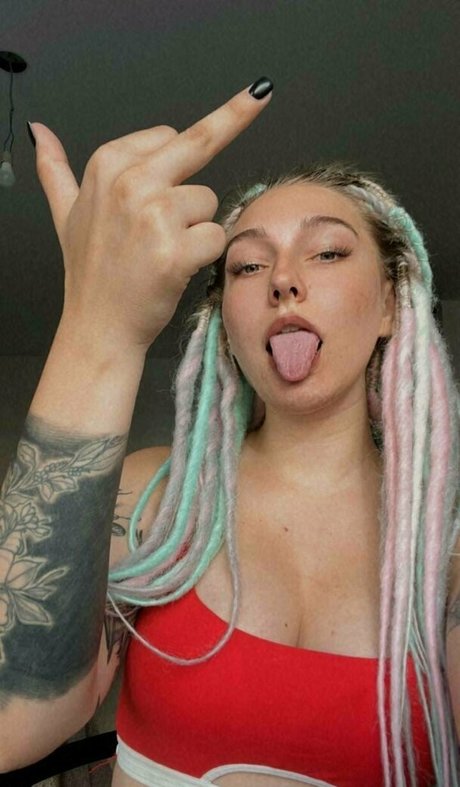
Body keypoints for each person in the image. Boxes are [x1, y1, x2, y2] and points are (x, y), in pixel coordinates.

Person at [0, 77, 459, 786]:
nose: (283, 279)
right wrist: (98, 327)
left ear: (390, 305)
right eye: (248, 264)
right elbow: (9, 724)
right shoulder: (153, 499)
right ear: (224, 324)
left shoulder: (446, 552)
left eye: (328, 252)